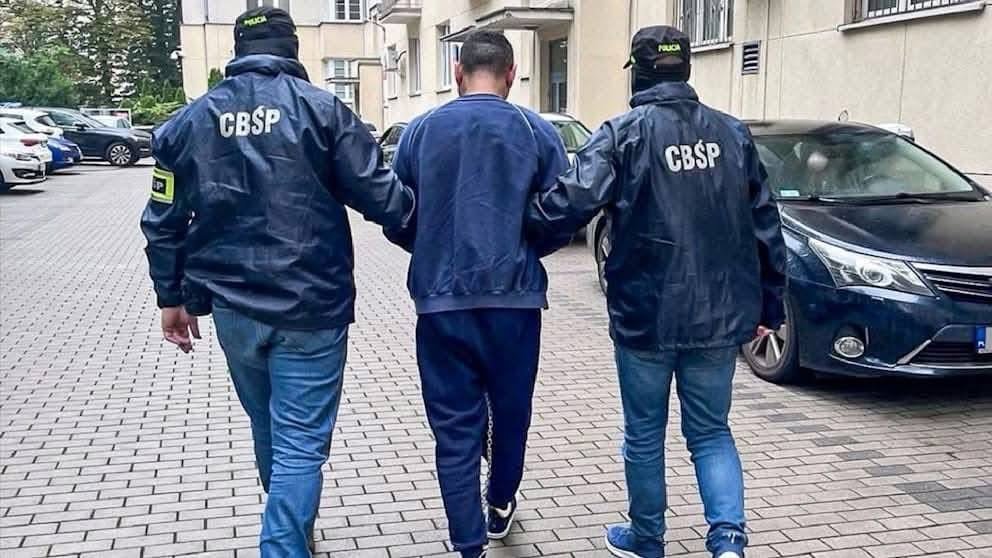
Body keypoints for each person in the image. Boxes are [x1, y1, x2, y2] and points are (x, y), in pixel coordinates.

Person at [139, 7, 414, 558]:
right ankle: (284, 544)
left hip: (234, 309)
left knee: (269, 427)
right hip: (312, 305)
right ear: (292, 50)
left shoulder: (187, 124)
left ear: (237, 52)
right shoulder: (324, 111)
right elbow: (384, 199)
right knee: (300, 444)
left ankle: (293, 526)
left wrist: (171, 298)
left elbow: (162, 219)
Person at [526, 26, 787, 558]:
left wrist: (521, 229)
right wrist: (770, 303)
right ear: (685, 69)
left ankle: (647, 539)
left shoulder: (621, 134)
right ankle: (728, 542)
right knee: (711, 431)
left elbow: (571, 201)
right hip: (718, 315)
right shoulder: (731, 134)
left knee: (644, 434)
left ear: (639, 74)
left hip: (646, 314)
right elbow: (765, 223)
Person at [384, 30, 570, 558]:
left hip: (441, 303)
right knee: (511, 413)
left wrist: (428, 247)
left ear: (458, 73)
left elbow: (396, 212)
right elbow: (563, 209)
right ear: (511, 74)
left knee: (454, 427)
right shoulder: (536, 131)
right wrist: (530, 247)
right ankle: (500, 504)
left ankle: (469, 545)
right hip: (515, 302)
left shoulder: (421, 132)